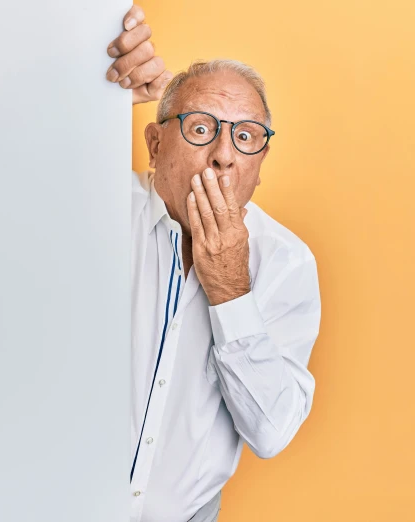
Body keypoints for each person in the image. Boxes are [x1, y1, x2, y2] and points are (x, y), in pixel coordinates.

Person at [106, 6, 322, 522]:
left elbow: (271, 432)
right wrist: (81, 82)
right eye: (201, 128)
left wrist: (231, 290)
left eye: (246, 137)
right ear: (155, 144)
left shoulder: (287, 262)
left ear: (259, 166)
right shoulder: (100, 212)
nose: (224, 155)